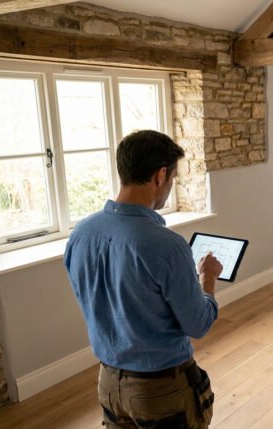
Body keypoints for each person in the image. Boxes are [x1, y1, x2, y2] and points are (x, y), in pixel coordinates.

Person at [64, 130, 222, 428]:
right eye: (172, 178)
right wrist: (208, 278)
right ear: (160, 175)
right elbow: (198, 324)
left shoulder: (81, 234)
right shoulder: (166, 245)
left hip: (108, 384)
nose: (170, 187)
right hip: (160, 390)